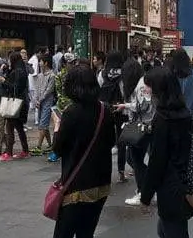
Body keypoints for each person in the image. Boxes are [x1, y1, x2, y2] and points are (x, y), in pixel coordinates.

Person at [51, 65, 115, 238]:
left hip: (77, 185)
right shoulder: (105, 110)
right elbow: (111, 141)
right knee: (87, 232)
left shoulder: (71, 112)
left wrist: (57, 127)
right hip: (101, 182)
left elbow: (57, 149)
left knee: (63, 233)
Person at [140, 67, 193, 238]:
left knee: (172, 228)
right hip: (185, 180)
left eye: (149, 85)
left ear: (159, 88)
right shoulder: (185, 114)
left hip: (169, 185)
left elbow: (157, 160)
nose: (146, 89)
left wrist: (146, 196)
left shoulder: (163, 119)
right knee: (169, 228)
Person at [116, 64, 156, 205]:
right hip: (147, 126)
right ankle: (148, 188)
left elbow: (142, 106)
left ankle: (143, 192)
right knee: (135, 159)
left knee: (135, 159)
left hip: (142, 127)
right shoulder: (143, 82)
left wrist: (126, 105)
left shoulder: (140, 85)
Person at [0, 51, 30, 161]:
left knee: (10, 128)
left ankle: (9, 153)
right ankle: (25, 150)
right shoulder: (21, 70)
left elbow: (14, 87)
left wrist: (4, 81)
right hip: (21, 102)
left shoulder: (17, 72)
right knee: (19, 128)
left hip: (14, 103)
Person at [98, 51, 126, 182]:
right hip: (120, 109)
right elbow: (124, 91)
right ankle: (121, 172)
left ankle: (104, 171)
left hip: (105, 109)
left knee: (105, 141)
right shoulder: (124, 74)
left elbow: (99, 89)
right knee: (121, 142)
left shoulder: (103, 73)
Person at [31, 53, 56, 155]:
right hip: (40, 102)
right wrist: (36, 100)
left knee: (43, 124)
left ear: (45, 63)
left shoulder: (52, 75)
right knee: (43, 125)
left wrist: (39, 100)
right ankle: (50, 145)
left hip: (47, 102)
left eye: (41, 61)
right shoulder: (40, 76)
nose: (39, 63)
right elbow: (37, 89)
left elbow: (49, 90)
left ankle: (39, 146)